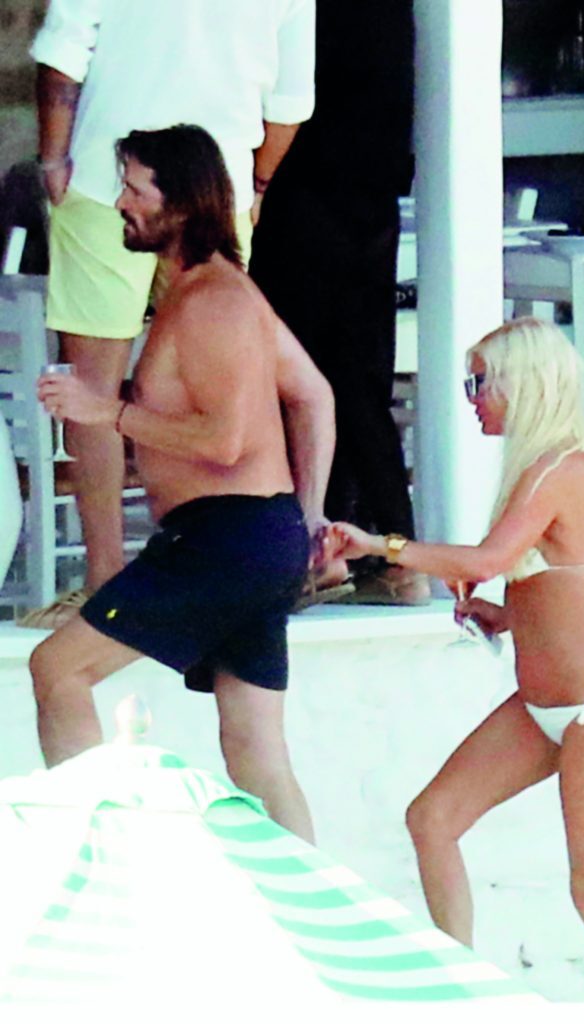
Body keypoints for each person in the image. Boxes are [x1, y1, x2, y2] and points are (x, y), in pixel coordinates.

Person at [29, 124, 336, 844]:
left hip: (224, 537)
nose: (121, 203)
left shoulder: (215, 303)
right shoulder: (217, 294)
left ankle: (100, 859)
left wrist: (108, 412)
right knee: (255, 750)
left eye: (136, 190)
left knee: (57, 670)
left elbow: (226, 441)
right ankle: (310, 899)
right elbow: (314, 396)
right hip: (252, 537)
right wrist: (308, 518)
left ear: (183, 203)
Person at [331, 317, 584, 1000]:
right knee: (432, 820)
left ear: (522, 385)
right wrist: (508, 615)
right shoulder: (545, 468)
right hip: (543, 706)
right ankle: (464, 994)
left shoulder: (559, 468)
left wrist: (380, 545)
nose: (471, 398)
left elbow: (488, 561)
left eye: (480, 383)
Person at [23, 0, 315, 627]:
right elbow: (290, 104)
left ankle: (105, 583)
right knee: (224, 389)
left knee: (91, 387)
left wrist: (52, 159)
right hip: (218, 188)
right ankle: (216, 569)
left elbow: (62, 55)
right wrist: (257, 185)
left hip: (109, 184)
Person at [249, 0, 429, 606]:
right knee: (355, 379)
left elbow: (289, 92)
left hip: (306, 192)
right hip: (368, 192)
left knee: (306, 380)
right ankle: (366, 552)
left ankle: (338, 552)